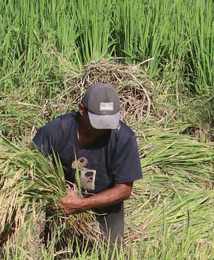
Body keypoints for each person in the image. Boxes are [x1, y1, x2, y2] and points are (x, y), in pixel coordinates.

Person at [33, 83, 143, 249]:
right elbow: (28, 164)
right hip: (62, 208)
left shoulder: (123, 138)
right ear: (82, 110)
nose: (104, 128)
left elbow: (124, 189)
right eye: (99, 121)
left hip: (106, 212)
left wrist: (80, 204)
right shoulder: (58, 129)